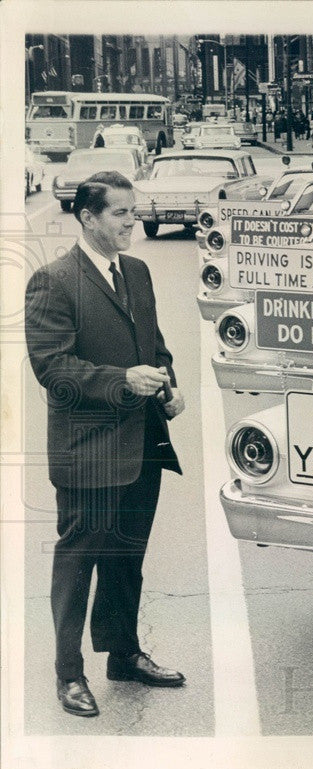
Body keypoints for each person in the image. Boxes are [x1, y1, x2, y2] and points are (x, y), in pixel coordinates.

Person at [24, 172, 186, 718]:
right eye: (121, 213)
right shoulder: (54, 281)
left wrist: (168, 385)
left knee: (127, 558)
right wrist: (123, 381)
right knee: (79, 561)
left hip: (142, 444)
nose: (131, 223)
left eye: (134, 213)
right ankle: (68, 675)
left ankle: (123, 654)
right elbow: (54, 370)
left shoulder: (137, 272)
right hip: (88, 450)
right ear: (88, 218)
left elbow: (155, 347)